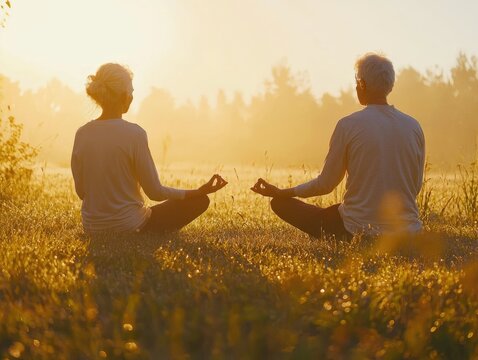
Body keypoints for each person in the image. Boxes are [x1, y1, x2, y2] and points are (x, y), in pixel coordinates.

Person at [251, 53, 425, 240]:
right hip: (408, 232)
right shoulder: (413, 126)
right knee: (336, 211)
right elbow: (415, 186)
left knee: (280, 204)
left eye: (356, 81)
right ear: (389, 85)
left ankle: (340, 233)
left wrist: (283, 192)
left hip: (355, 230)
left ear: (362, 84)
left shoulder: (348, 125)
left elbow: (326, 184)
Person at [71, 63, 227, 233]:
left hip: (92, 227)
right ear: (125, 97)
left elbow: (81, 192)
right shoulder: (134, 134)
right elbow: (155, 192)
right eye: (130, 92)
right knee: (200, 201)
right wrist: (197, 191)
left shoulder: (82, 133)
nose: (131, 97)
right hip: (132, 226)